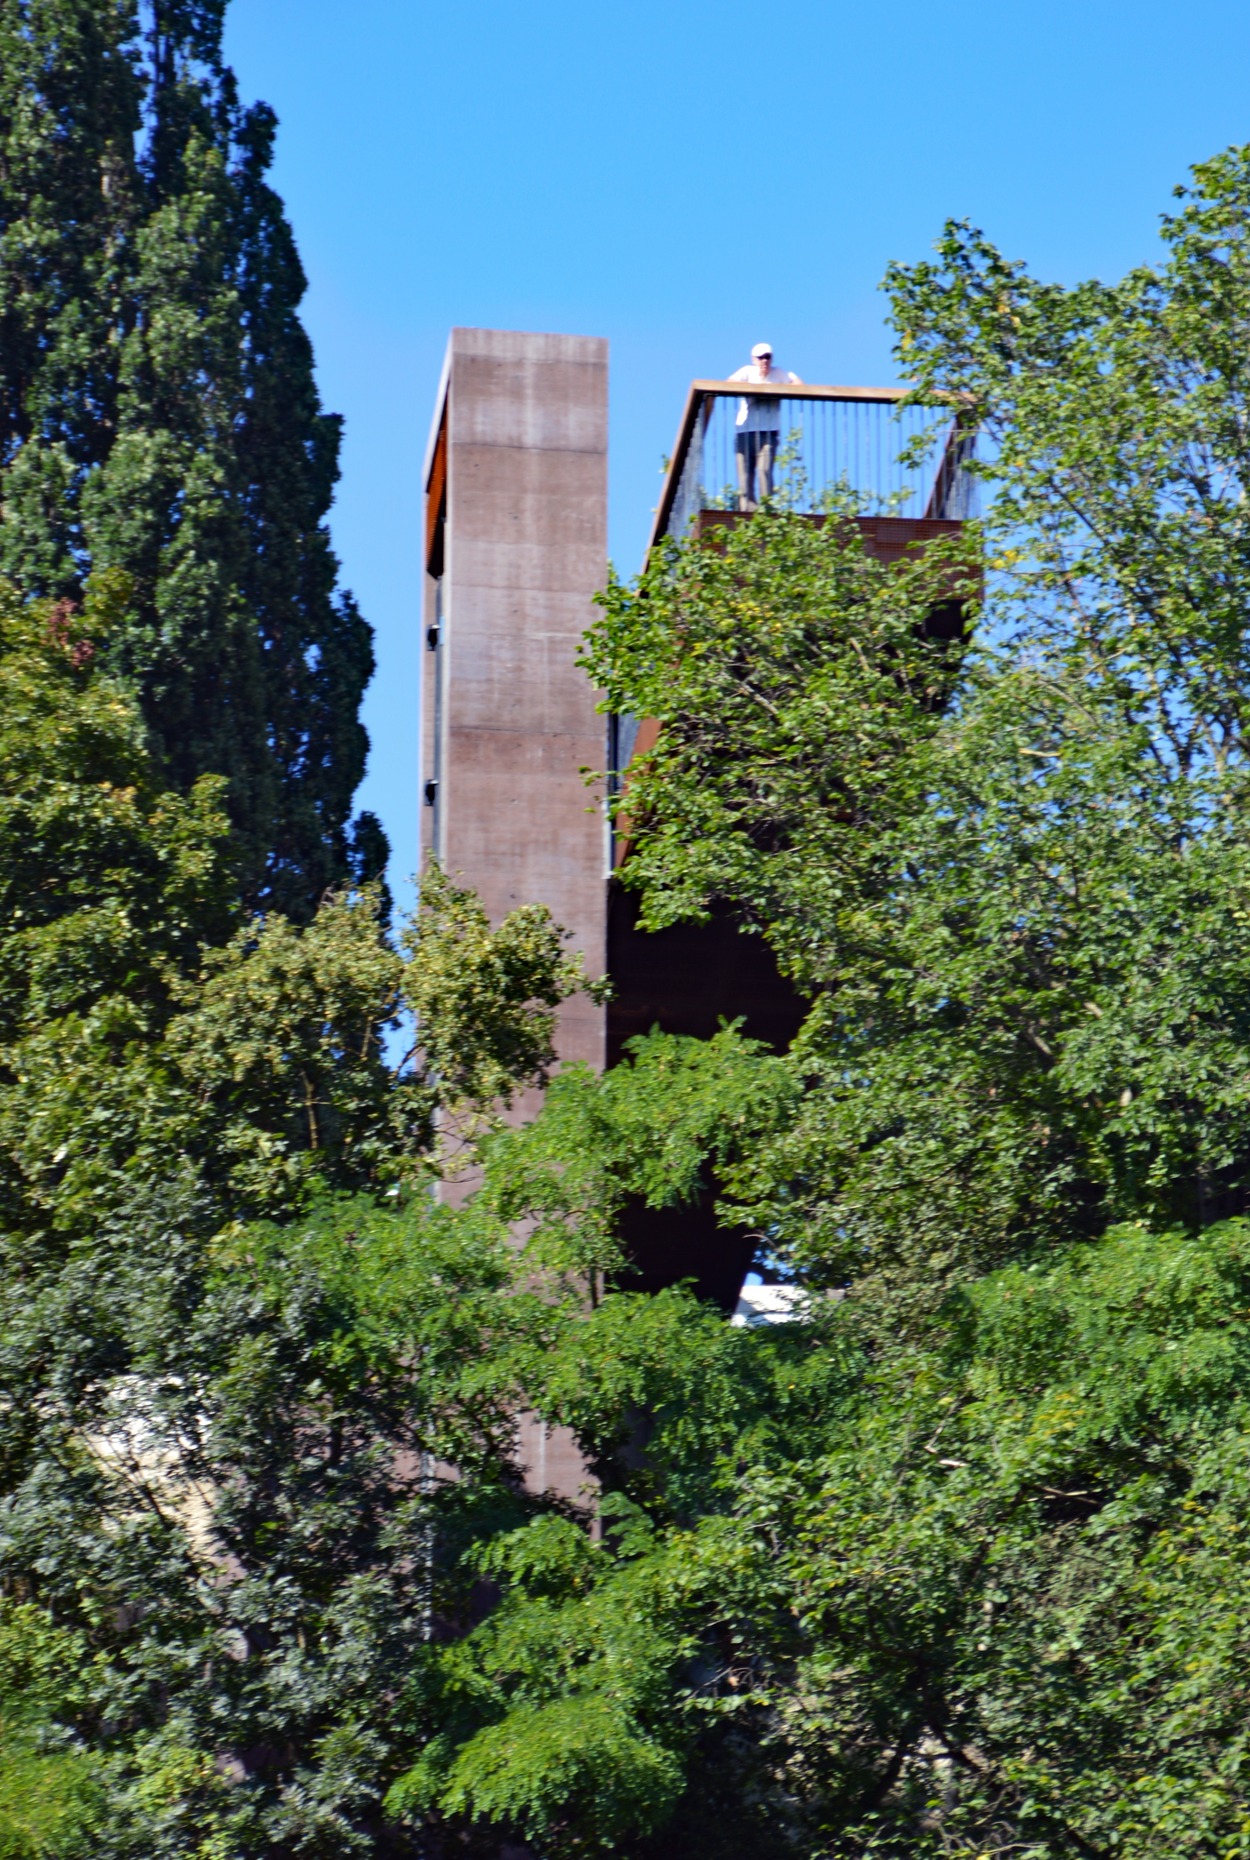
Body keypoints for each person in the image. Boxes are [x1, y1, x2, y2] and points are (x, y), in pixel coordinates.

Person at [728, 342, 802, 510]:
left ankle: (766, 511)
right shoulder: (747, 371)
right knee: (745, 477)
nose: (764, 361)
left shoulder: (779, 373)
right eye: (760, 358)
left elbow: (798, 384)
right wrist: (754, 390)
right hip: (744, 431)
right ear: (753, 359)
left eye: (767, 357)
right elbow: (729, 383)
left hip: (769, 432)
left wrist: (775, 390)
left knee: (764, 471)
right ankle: (747, 513)